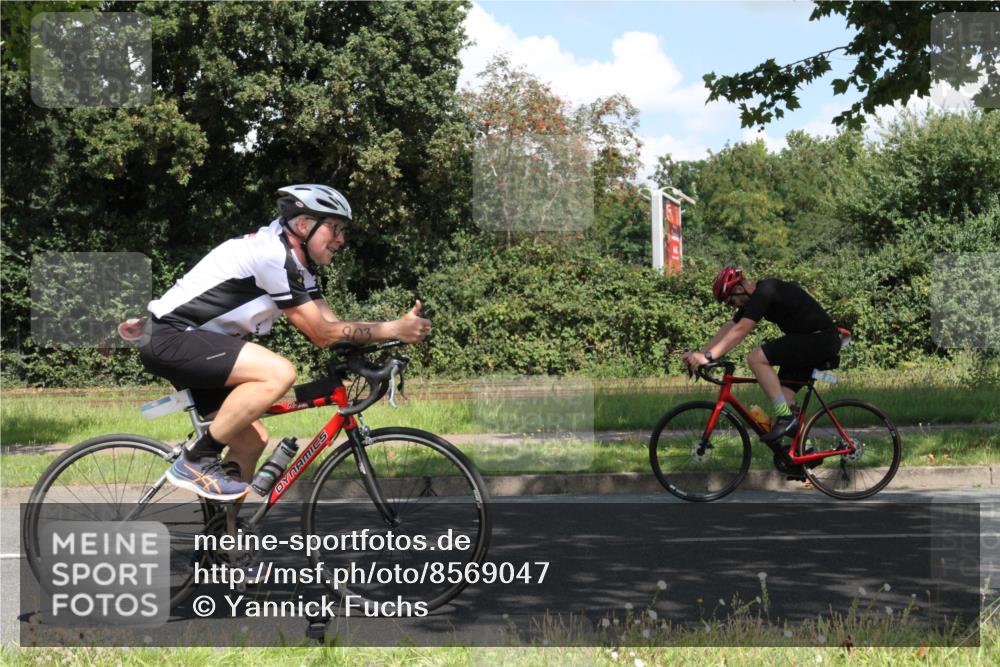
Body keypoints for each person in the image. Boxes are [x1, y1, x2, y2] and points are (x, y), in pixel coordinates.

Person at [138, 184, 431, 500]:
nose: (341, 239)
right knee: (279, 373)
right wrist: (394, 329)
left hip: (201, 345)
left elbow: (332, 329)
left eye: (343, 231)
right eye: (334, 228)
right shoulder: (273, 256)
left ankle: (223, 543)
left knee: (251, 442)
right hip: (172, 336)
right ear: (304, 225)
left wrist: (372, 354)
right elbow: (321, 332)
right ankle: (196, 460)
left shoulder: (298, 265)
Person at [682, 266, 840, 442]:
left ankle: (786, 419)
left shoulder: (766, 290)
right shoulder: (754, 297)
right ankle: (804, 453)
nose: (733, 306)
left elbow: (741, 329)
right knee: (784, 396)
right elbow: (730, 326)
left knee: (756, 358)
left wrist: (709, 356)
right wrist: (701, 353)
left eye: (730, 301)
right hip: (809, 341)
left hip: (820, 339)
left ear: (739, 289)